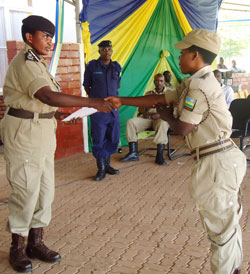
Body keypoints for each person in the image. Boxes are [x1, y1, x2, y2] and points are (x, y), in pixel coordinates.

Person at [106, 29, 246, 274]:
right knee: (227, 223)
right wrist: (121, 100)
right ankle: (233, 269)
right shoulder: (193, 82)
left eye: (182, 53)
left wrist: (164, 115)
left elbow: (183, 127)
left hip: (217, 163)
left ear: (195, 55)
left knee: (220, 229)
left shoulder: (199, 87)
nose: (178, 58)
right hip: (223, 158)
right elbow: (160, 98)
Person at [0, 15, 115, 273]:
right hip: (24, 133)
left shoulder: (39, 63)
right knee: (25, 191)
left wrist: (62, 114)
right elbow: (46, 95)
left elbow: (42, 102)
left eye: (52, 37)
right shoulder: (26, 62)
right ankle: (17, 248)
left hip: (41, 130)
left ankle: (35, 243)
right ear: (30, 38)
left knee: (44, 191)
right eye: (45, 36)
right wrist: (91, 102)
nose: (50, 42)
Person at [83, 40, 121, 181]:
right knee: (99, 137)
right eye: (103, 49)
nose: (107, 51)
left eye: (109, 49)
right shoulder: (92, 66)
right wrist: (95, 100)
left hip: (113, 109)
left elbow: (117, 86)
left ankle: (107, 164)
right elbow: (87, 86)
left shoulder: (116, 67)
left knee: (112, 136)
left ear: (111, 51)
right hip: (98, 110)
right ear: (99, 51)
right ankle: (101, 168)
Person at [120, 74, 169, 165]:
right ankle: (133, 153)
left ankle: (160, 155)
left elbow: (174, 110)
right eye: (157, 81)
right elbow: (141, 107)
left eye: (161, 81)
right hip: (148, 118)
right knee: (131, 122)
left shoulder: (169, 94)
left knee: (162, 123)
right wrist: (144, 112)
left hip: (161, 118)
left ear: (164, 82)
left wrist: (159, 114)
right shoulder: (149, 94)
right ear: (154, 82)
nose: (159, 83)